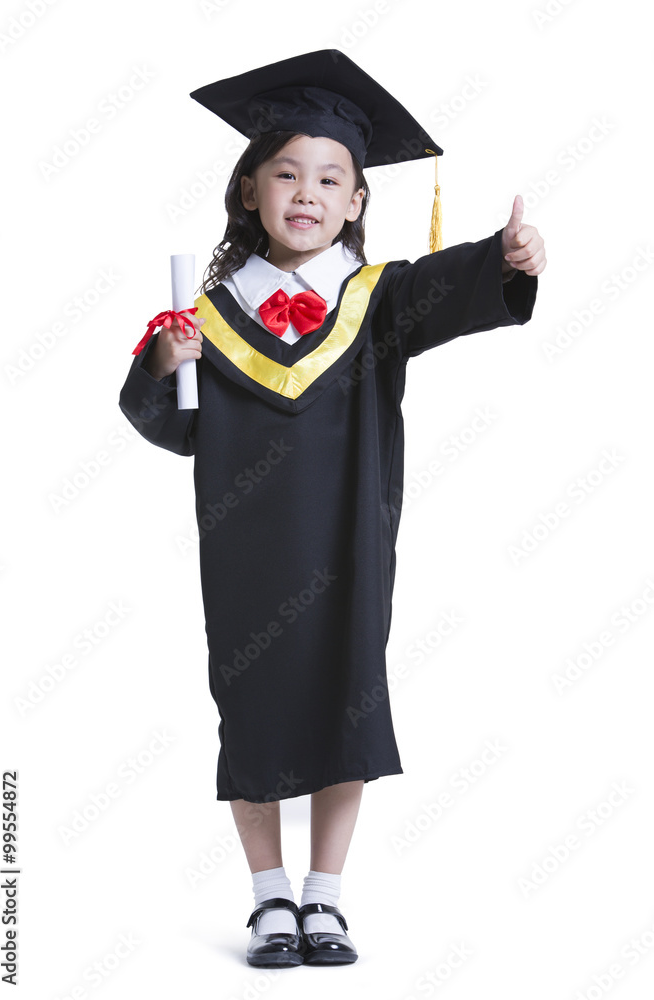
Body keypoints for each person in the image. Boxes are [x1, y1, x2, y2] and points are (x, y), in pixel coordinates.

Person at [118, 48, 546, 969]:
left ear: (356, 201)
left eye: (329, 177)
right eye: (286, 173)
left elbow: (457, 290)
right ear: (249, 191)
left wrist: (506, 261)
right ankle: (268, 896)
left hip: (350, 543)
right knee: (255, 708)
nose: (306, 192)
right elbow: (170, 425)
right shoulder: (204, 312)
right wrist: (163, 362)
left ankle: (326, 896)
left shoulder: (376, 300)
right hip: (244, 551)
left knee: (347, 699)